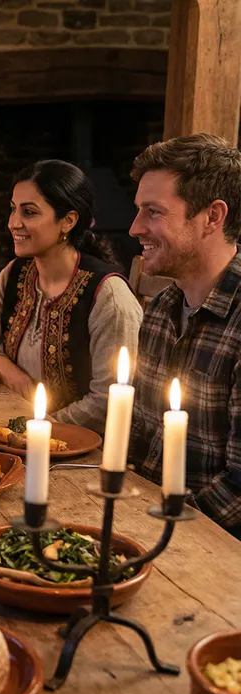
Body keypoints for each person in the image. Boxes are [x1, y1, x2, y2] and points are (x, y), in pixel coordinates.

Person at [0, 159, 143, 433]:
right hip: (13, 424)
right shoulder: (16, 273)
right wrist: (10, 372)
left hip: (78, 448)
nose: (13, 223)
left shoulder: (108, 297)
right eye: (13, 210)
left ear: (68, 220)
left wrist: (36, 429)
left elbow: (107, 402)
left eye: (29, 212)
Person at [127, 134, 241, 537]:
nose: (134, 228)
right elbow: (138, 441)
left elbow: (238, 492)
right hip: (141, 522)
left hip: (208, 556)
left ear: (212, 217)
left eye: (153, 212)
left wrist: (148, 528)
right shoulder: (159, 311)